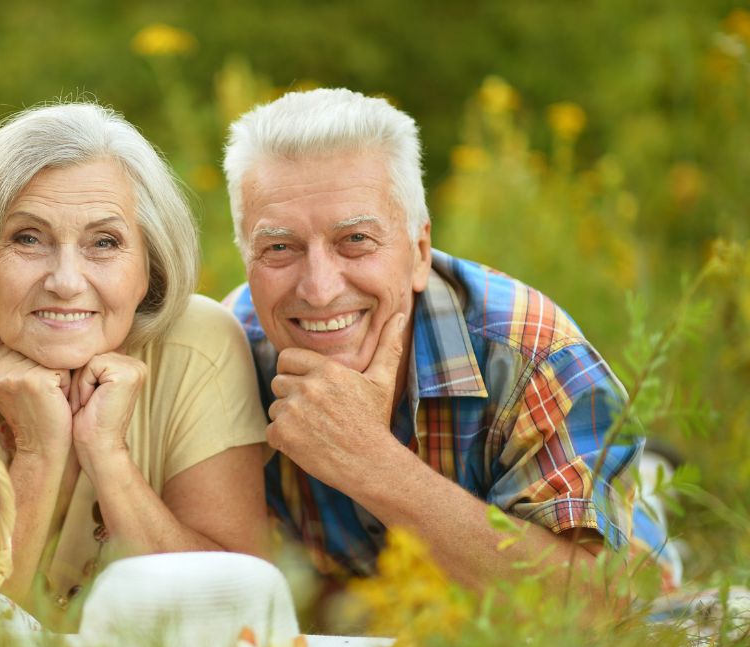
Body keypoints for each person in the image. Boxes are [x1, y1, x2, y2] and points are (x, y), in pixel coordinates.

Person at [220, 88, 678, 599]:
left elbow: (597, 605)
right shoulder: (225, 354)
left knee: (650, 568)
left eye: (356, 241)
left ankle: (651, 491)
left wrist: (371, 462)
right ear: (247, 260)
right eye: (279, 248)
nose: (320, 289)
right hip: (376, 601)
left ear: (419, 251)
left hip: (549, 569)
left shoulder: (532, 353)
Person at [0, 103, 268, 613]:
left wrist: (107, 453)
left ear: (151, 265)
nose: (66, 281)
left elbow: (238, 611)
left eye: (104, 242)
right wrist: (37, 453)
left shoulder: (201, 343)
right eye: (27, 238)